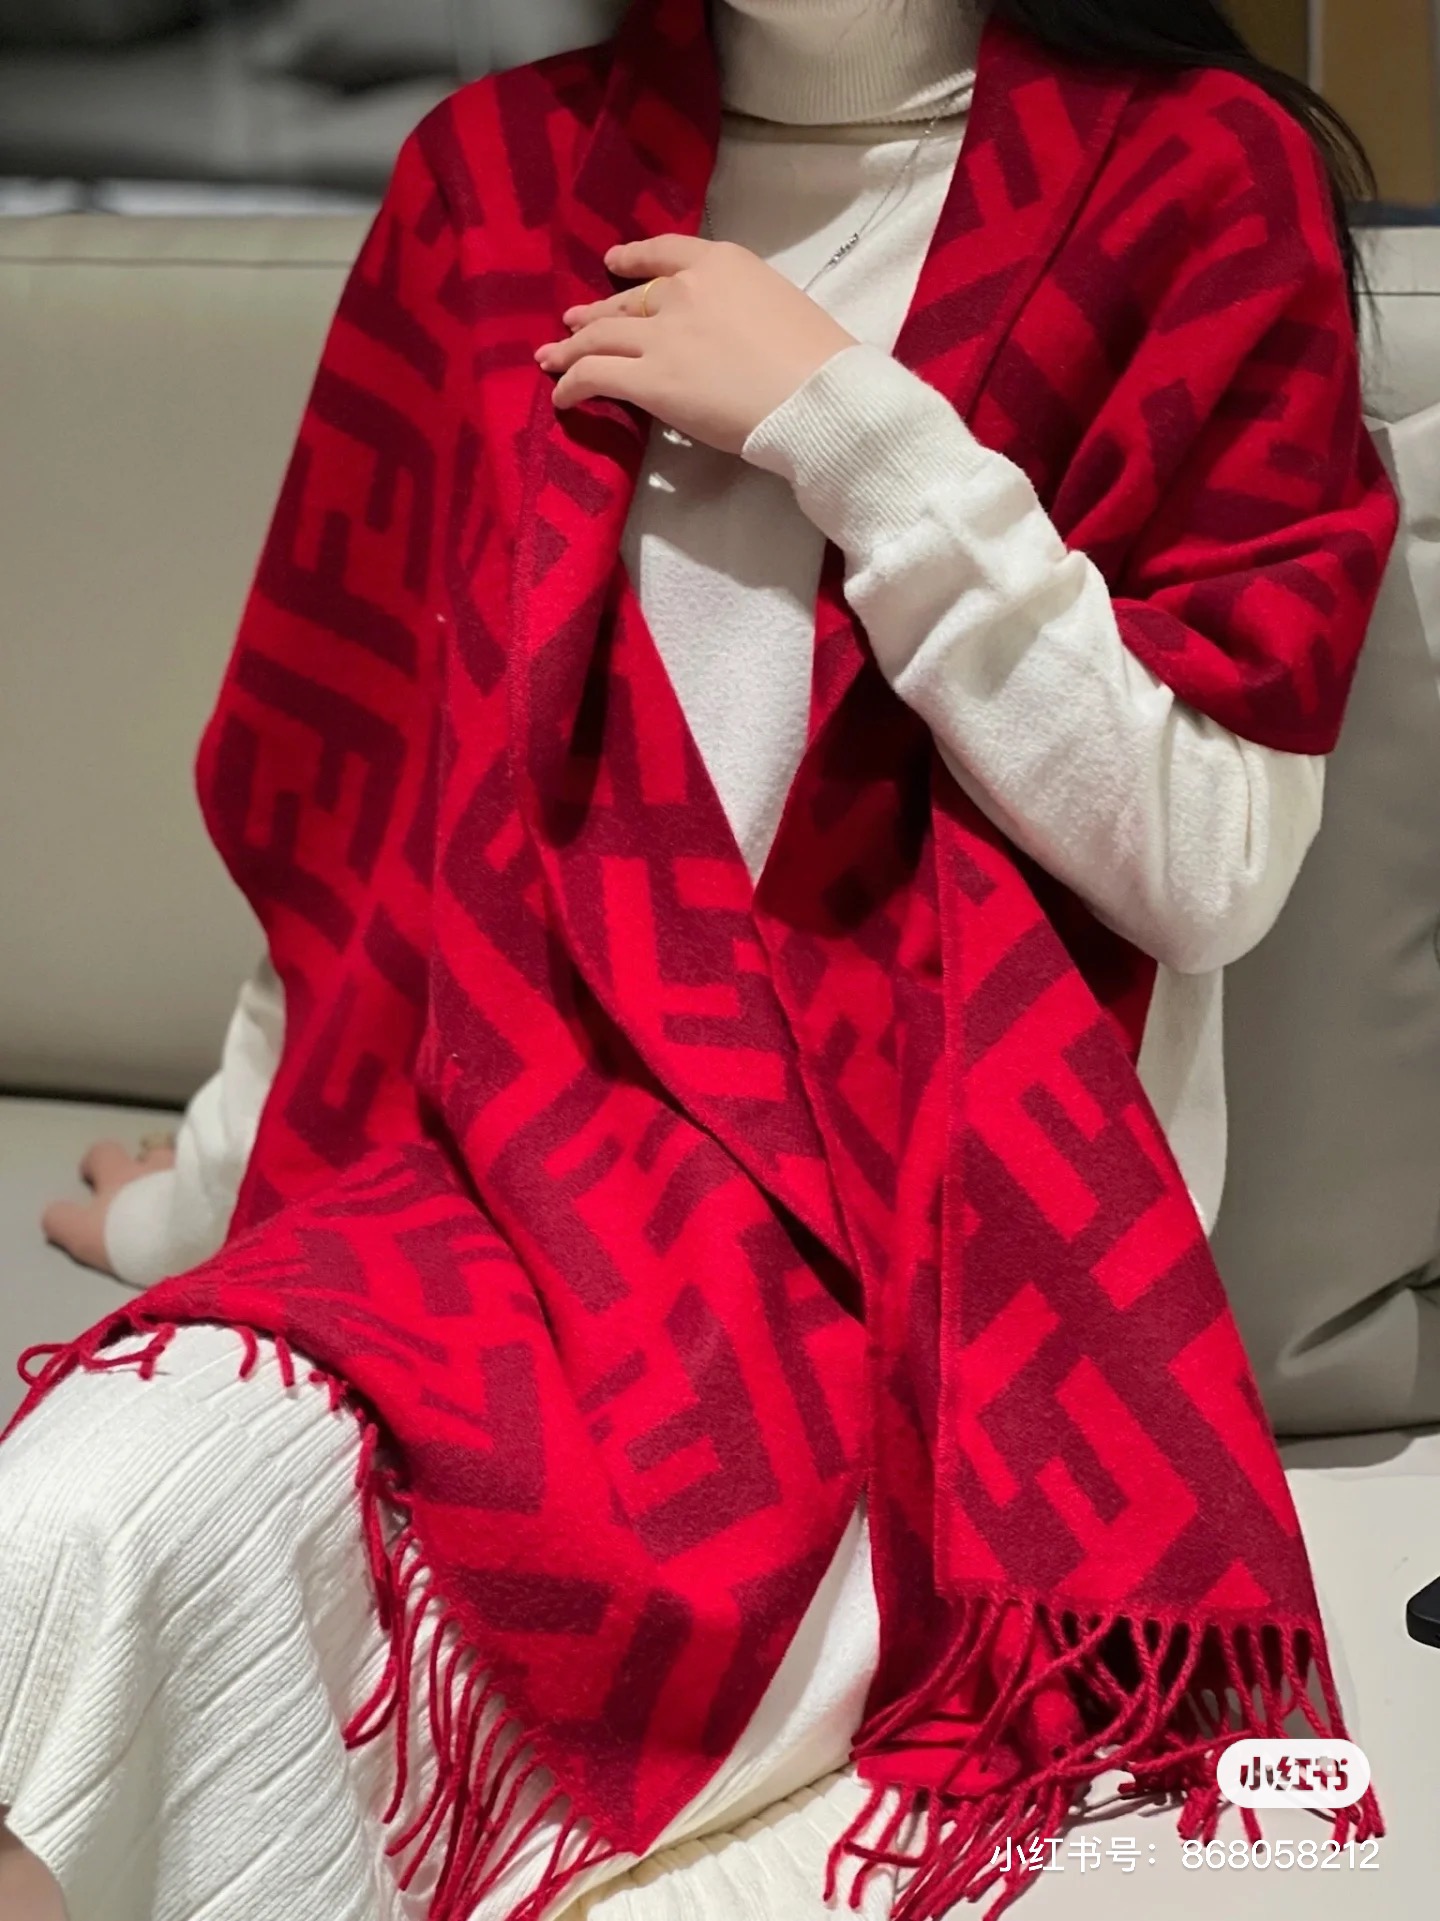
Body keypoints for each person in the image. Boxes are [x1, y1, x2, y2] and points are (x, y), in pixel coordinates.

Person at [9, 0, 1398, 1917]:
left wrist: (846, 425)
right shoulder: (491, 187)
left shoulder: (1187, 180)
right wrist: (204, 1209)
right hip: (487, 1206)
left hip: (908, 1269)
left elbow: (1211, 856)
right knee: (62, 1545)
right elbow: (373, 833)